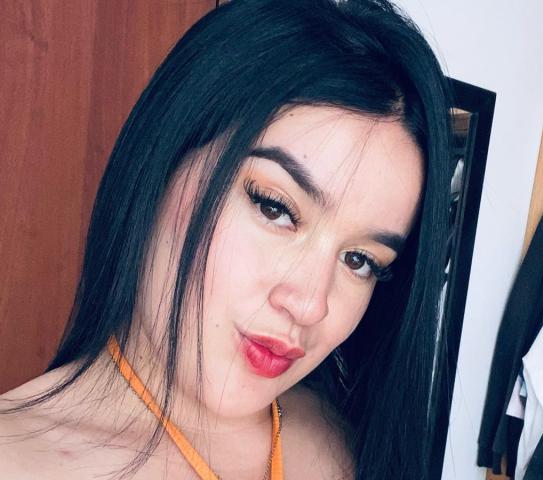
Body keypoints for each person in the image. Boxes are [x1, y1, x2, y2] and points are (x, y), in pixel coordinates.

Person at [0, 0, 452, 478]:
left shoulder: (349, 437)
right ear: (164, 158)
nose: (310, 305)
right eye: (275, 207)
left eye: (360, 260)